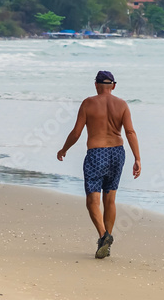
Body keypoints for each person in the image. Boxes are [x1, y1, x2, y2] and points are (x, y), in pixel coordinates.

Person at [57, 70, 141, 259]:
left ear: (95, 85)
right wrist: (137, 158)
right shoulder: (122, 105)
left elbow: (76, 132)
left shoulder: (88, 103)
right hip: (118, 154)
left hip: (96, 154)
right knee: (110, 199)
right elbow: (130, 132)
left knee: (92, 201)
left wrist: (64, 149)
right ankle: (106, 244)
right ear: (114, 86)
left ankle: (104, 236)